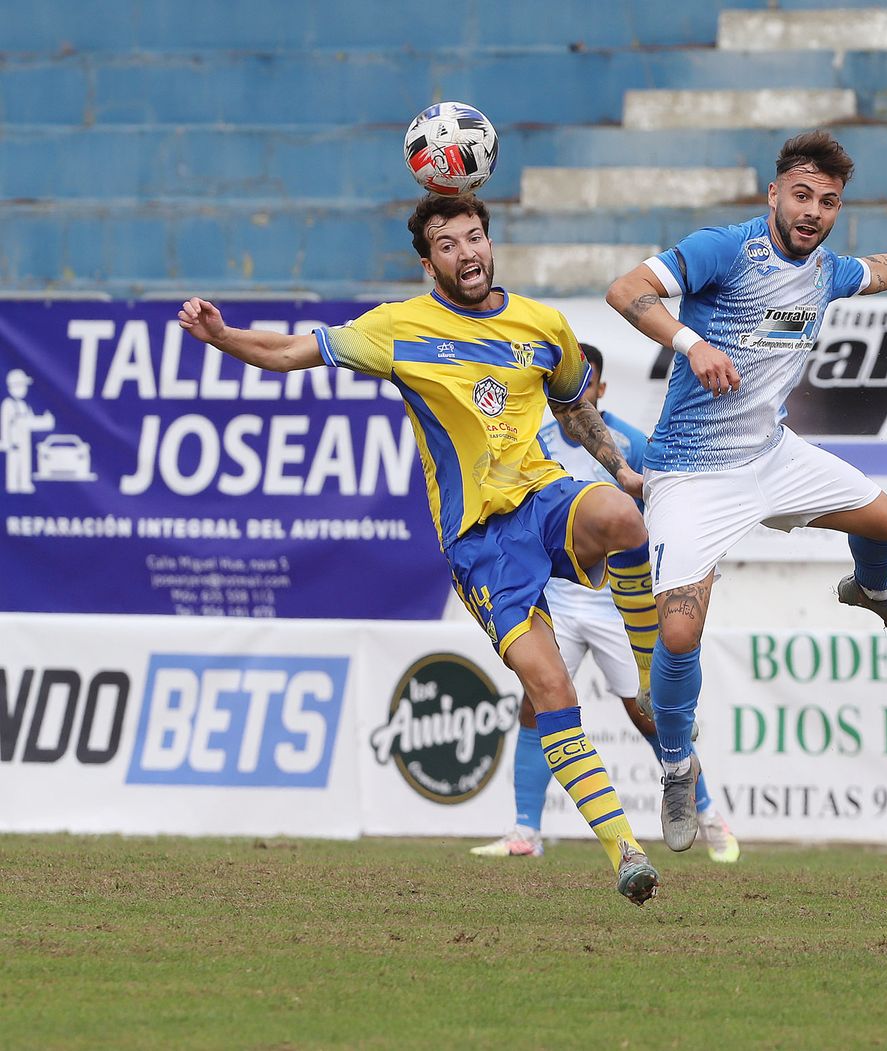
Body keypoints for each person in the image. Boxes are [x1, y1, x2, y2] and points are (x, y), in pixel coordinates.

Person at [177, 193, 661, 905]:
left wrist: (617, 464)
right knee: (550, 688)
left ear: (491, 243)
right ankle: (625, 850)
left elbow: (572, 402)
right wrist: (221, 336)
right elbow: (289, 352)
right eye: (448, 244)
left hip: (543, 497)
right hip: (480, 541)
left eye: (475, 238)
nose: (467, 253)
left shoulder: (542, 324)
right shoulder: (399, 328)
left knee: (624, 517)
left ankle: (655, 683)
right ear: (428, 260)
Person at [605, 129, 887, 851]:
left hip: (772, 457)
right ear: (773, 193)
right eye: (802, 195)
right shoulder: (727, 248)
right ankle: (678, 765)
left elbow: (880, 269)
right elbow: (625, 290)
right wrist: (694, 343)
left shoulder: (825, 273)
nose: (813, 211)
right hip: (691, 471)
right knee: (680, 632)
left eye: (829, 201)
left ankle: (870, 591)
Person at [473, 344, 742, 863]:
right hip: (557, 598)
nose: (576, 390)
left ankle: (709, 816)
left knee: (650, 717)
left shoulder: (628, 443)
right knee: (536, 705)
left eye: (585, 381)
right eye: (566, 381)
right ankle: (525, 831)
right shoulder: (534, 440)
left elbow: (665, 506)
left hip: (617, 605)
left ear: (599, 389)